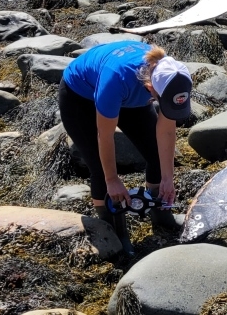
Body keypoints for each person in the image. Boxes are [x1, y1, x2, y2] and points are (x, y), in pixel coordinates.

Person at [59, 40, 192, 256]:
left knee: (157, 156)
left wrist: (168, 178)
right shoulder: (116, 78)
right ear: (150, 89)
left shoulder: (175, 77)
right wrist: (113, 180)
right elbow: (105, 135)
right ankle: (114, 232)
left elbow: (166, 131)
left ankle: (161, 216)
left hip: (130, 94)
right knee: (101, 171)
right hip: (80, 96)